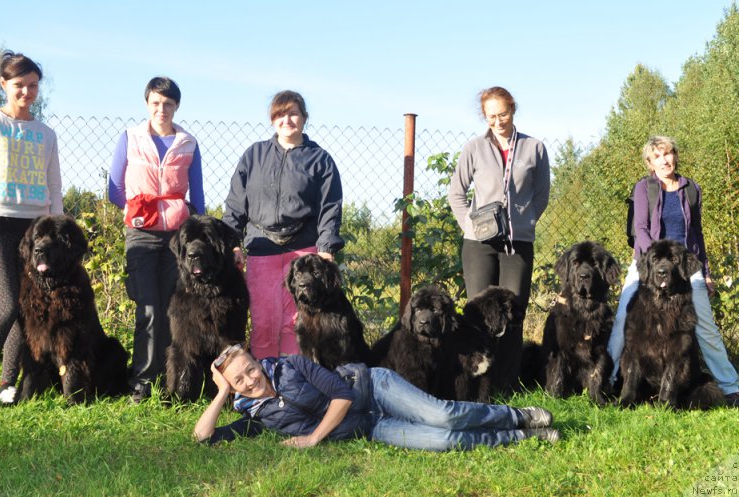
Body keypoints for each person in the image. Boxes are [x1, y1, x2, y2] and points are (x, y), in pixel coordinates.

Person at [193, 345, 560, 450]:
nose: (250, 380)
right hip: (371, 426)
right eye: (239, 381)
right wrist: (222, 390)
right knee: (443, 440)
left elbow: (341, 395)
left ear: (259, 361)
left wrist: (312, 438)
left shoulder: (290, 365)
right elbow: (203, 437)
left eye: (250, 369)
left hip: (373, 388)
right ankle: (521, 436)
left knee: (443, 415)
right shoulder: (255, 414)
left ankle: (516, 414)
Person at [0, 50, 63, 415]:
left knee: (26, 308)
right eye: (19, 85)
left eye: (33, 85)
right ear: (3, 84)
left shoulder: (45, 134)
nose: (27, 92)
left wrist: (57, 233)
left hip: (34, 231)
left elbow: (54, 188)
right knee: (5, 306)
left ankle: (7, 384)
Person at [607, 136, 739, 407]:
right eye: (657, 157)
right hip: (649, 261)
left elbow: (697, 234)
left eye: (668, 154)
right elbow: (641, 229)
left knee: (705, 325)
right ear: (649, 162)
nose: (664, 160)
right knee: (624, 319)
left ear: (675, 156)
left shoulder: (692, 189)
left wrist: (707, 271)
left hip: (685, 264)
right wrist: (653, 264)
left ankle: (730, 386)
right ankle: (608, 382)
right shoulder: (644, 188)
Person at [223, 90, 343, 359]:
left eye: (293, 113)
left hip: (303, 252)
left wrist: (325, 248)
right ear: (272, 119)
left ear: (304, 118)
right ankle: (264, 387)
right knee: (264, 323)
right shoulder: (254, 156)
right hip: (261, 250)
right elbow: (235, 204)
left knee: (295, 324)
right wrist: (232, 244)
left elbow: (330, 207)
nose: (287, 119)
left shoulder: (320, 160)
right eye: (280, 114)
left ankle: (292, 386)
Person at [108, 77, 205, 402]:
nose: (161, 109)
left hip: (176, 237)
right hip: (142, 235)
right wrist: (136, 210)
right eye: (155, 103)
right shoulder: (129, 138)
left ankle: (170, 379)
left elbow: (199, 196)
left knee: (171, 310)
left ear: (176, 106)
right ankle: (141, 380)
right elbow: (114, 189)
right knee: (147, 308)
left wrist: (193, 231)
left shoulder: (188, 143)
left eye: (168, 104)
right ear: (147, 104)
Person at [448, 86, 550, 389]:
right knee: (478, 314)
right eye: (491, 116)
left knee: (513, 313)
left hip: (517, 243)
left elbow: (541, 194)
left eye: (502, 113)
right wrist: (470, 225)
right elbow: (456, 192)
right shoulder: (474, 148)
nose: (498, 121)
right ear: (484, 116)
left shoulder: (534, 148)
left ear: (513, 109)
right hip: (479, 245)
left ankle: (507, 384)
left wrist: (526, 221)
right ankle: (477, 383)